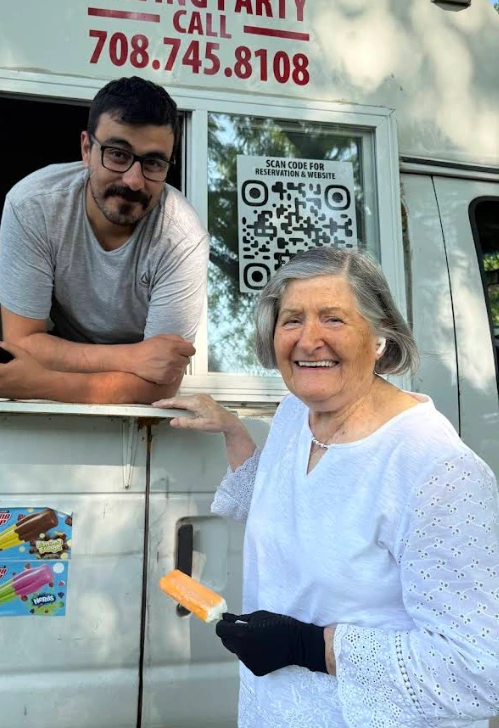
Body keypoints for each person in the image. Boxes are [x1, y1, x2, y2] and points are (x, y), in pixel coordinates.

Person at [153, 246, 499, 728]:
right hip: (271, 710)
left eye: (333, 319)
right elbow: (295, 503)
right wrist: (234, 429)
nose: (308, 340)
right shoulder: (297, 412)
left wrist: (310, 647)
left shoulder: (438, 472)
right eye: (292, 320)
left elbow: (480, 672)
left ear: (379, 336)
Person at [0, 77, 209, 404]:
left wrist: (38, 383)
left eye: (152, 163)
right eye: (118, 155)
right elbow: (23, 343)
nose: (134, 181)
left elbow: (161, 381)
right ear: (87, 149)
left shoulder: (182, 237)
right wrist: (134, 358)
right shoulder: (33, 205)